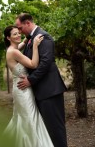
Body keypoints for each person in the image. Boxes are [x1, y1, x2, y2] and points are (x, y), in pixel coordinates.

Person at [15, 13, 68, 147]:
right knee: (46, 130)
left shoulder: (44, 37)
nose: (19, 31)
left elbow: (45, 63)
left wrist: (30, 80)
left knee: (55, 129)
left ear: (28, 23)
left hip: (50, 91)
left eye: (20, 28)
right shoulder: (30, 39)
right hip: (41, 92)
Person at [3, 25, 53, 147]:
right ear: (8, 38)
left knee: (23, 119)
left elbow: (21, 44)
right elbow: (33, 64)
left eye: (18, 32)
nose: (18, 35)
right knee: (29, 118)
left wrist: (27, 38)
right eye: (14, 34)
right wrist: (35, 45)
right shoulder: (14, 52)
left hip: (20, 88)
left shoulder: (12, 48)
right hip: (23, 90)